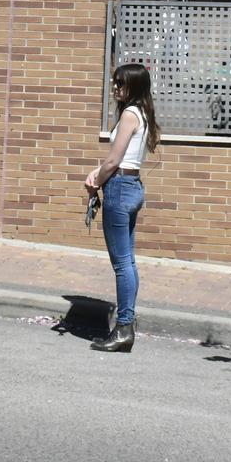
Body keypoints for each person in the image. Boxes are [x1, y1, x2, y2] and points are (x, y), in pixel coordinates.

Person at [84, 62, 160, 353]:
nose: (115, 88)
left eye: (121, 84)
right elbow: (121, 160)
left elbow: (115, 161)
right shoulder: (141, 113)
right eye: (115, 82)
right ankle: (126, 324)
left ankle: (123, 328)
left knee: (121, 264)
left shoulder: (130, 114)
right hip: (131, 185)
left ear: (134, 87)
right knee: (128, 261)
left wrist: (96, 181)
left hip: (119, 187)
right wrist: (98, 172)